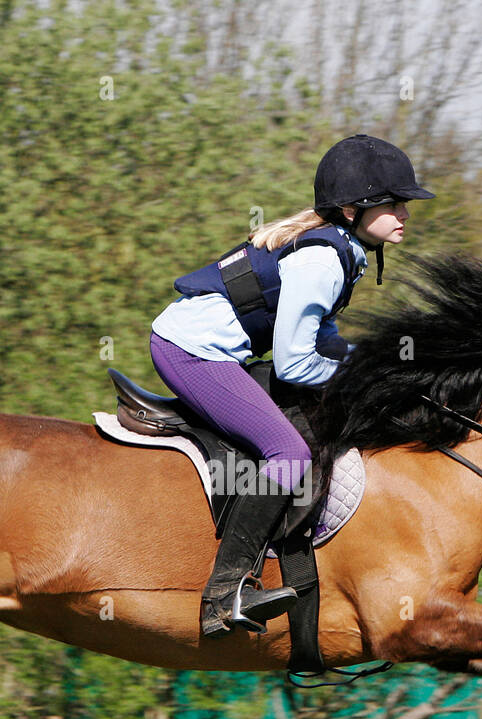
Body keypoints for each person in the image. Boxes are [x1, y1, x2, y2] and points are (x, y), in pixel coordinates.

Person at [150, 134, 434, 638]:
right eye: (392, 204)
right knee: (289, 452)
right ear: (351, 210)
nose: (404, 213)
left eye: (403, 203)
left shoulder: (344, 249)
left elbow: (320, 336)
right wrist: (363, 383)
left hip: (207, 349)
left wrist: (374, 364)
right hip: (192, 354)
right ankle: (225, 592)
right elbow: (295, 364)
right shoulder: (323, 260)